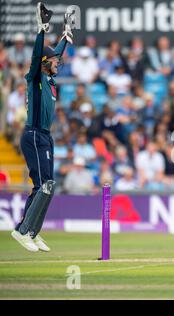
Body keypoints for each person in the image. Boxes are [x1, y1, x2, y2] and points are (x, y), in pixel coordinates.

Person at [12, 3, 74, 252]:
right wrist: (42, 30)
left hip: (45, 137)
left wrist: (66, 37)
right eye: (55, 61)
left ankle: (32, 231)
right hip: (34, 135)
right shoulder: (36, 76)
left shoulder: (49, 77)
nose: (59, 64)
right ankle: (22, 231)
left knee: (48, 185)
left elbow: (54, 53)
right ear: (45, 62)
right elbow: (39, 55)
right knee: (43, 185)